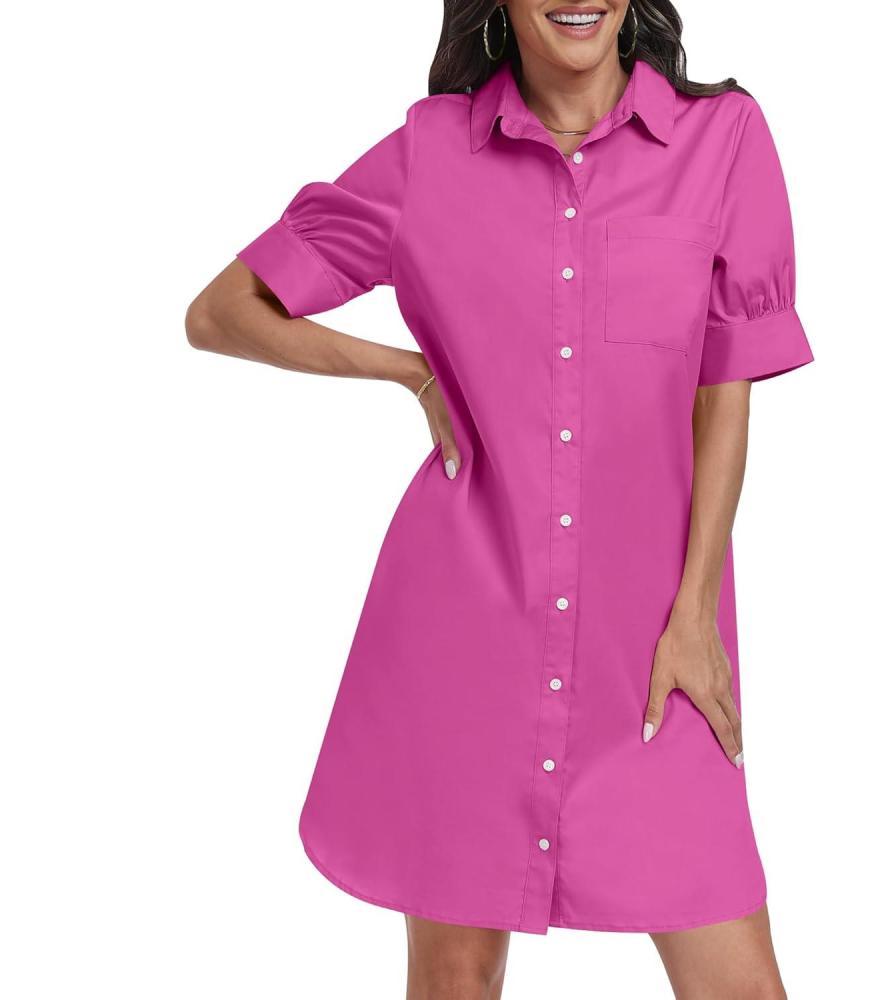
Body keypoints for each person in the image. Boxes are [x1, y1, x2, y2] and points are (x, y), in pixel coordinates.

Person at [185, 2, 813, 997]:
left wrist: (695, 615)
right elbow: (225, 311)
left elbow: (723, 398)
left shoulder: (721, 138)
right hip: (466, 639)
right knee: (456, 978)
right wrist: (409, 372)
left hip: (654, 651)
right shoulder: (431, 155)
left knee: (736, 977)